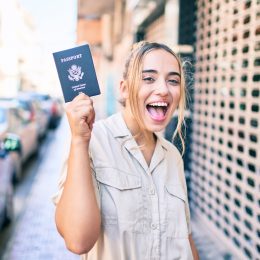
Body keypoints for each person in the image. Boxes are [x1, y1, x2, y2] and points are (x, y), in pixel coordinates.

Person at [53, 41, 199, 260]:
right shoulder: (93, 142)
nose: (163, 90)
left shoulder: (173, 156)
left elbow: (185, 239)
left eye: (173, 81)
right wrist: (79, 141)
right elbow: (77, 240)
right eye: (148, 78)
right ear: (124, 88)